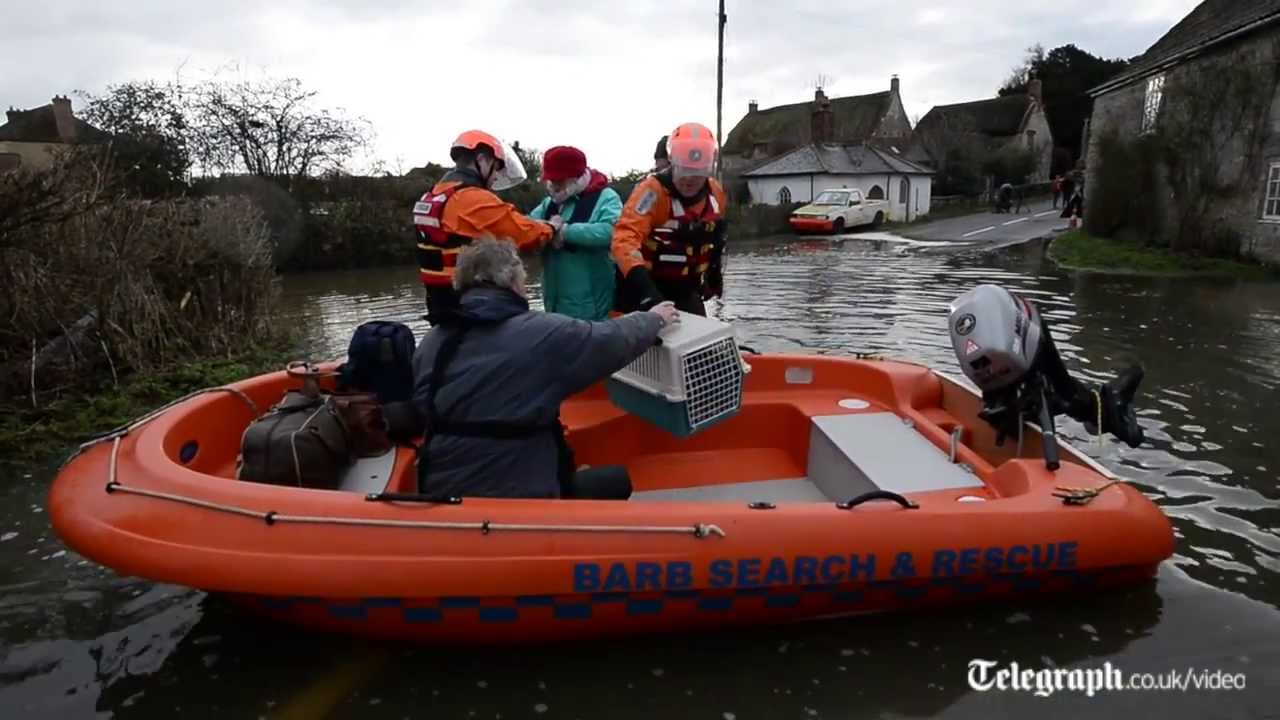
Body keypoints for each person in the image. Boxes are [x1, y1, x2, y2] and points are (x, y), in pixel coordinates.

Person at [411, 238, 679, 499]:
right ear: (514, 281)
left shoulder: (434, 340)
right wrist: (654, 318)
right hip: (517, 493)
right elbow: (610, 340)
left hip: (442, 490)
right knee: (617, 481)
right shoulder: (541, 333)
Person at [413, 130, 557, 324]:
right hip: (469, 303)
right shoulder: (471, 198)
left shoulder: (433, 195)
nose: (495, 177)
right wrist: (552, 228)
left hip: (439, 301)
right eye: (496, 168)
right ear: (482, 160)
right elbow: (523, 234)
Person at [611, 122, 728, 316]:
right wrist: (646, 291)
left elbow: (715, 234)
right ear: (672, 163)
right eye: (684, 172)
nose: (689, 181)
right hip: (642, 288)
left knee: (700, 340)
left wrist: (714, 274)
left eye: (697, 175)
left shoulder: (715, 193)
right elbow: (624, 239)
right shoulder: (652, 192)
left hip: (685, 290)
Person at [527, 146, 623, 321]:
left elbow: (612, 231)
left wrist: (565, 232)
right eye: (551, 180)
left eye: (559, 181)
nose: (553, 186)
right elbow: (527, 225)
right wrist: (548, 228)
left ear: (576, 178)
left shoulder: (606, 198)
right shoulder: (549, 203)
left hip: (592, 311)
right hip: (553, 306)